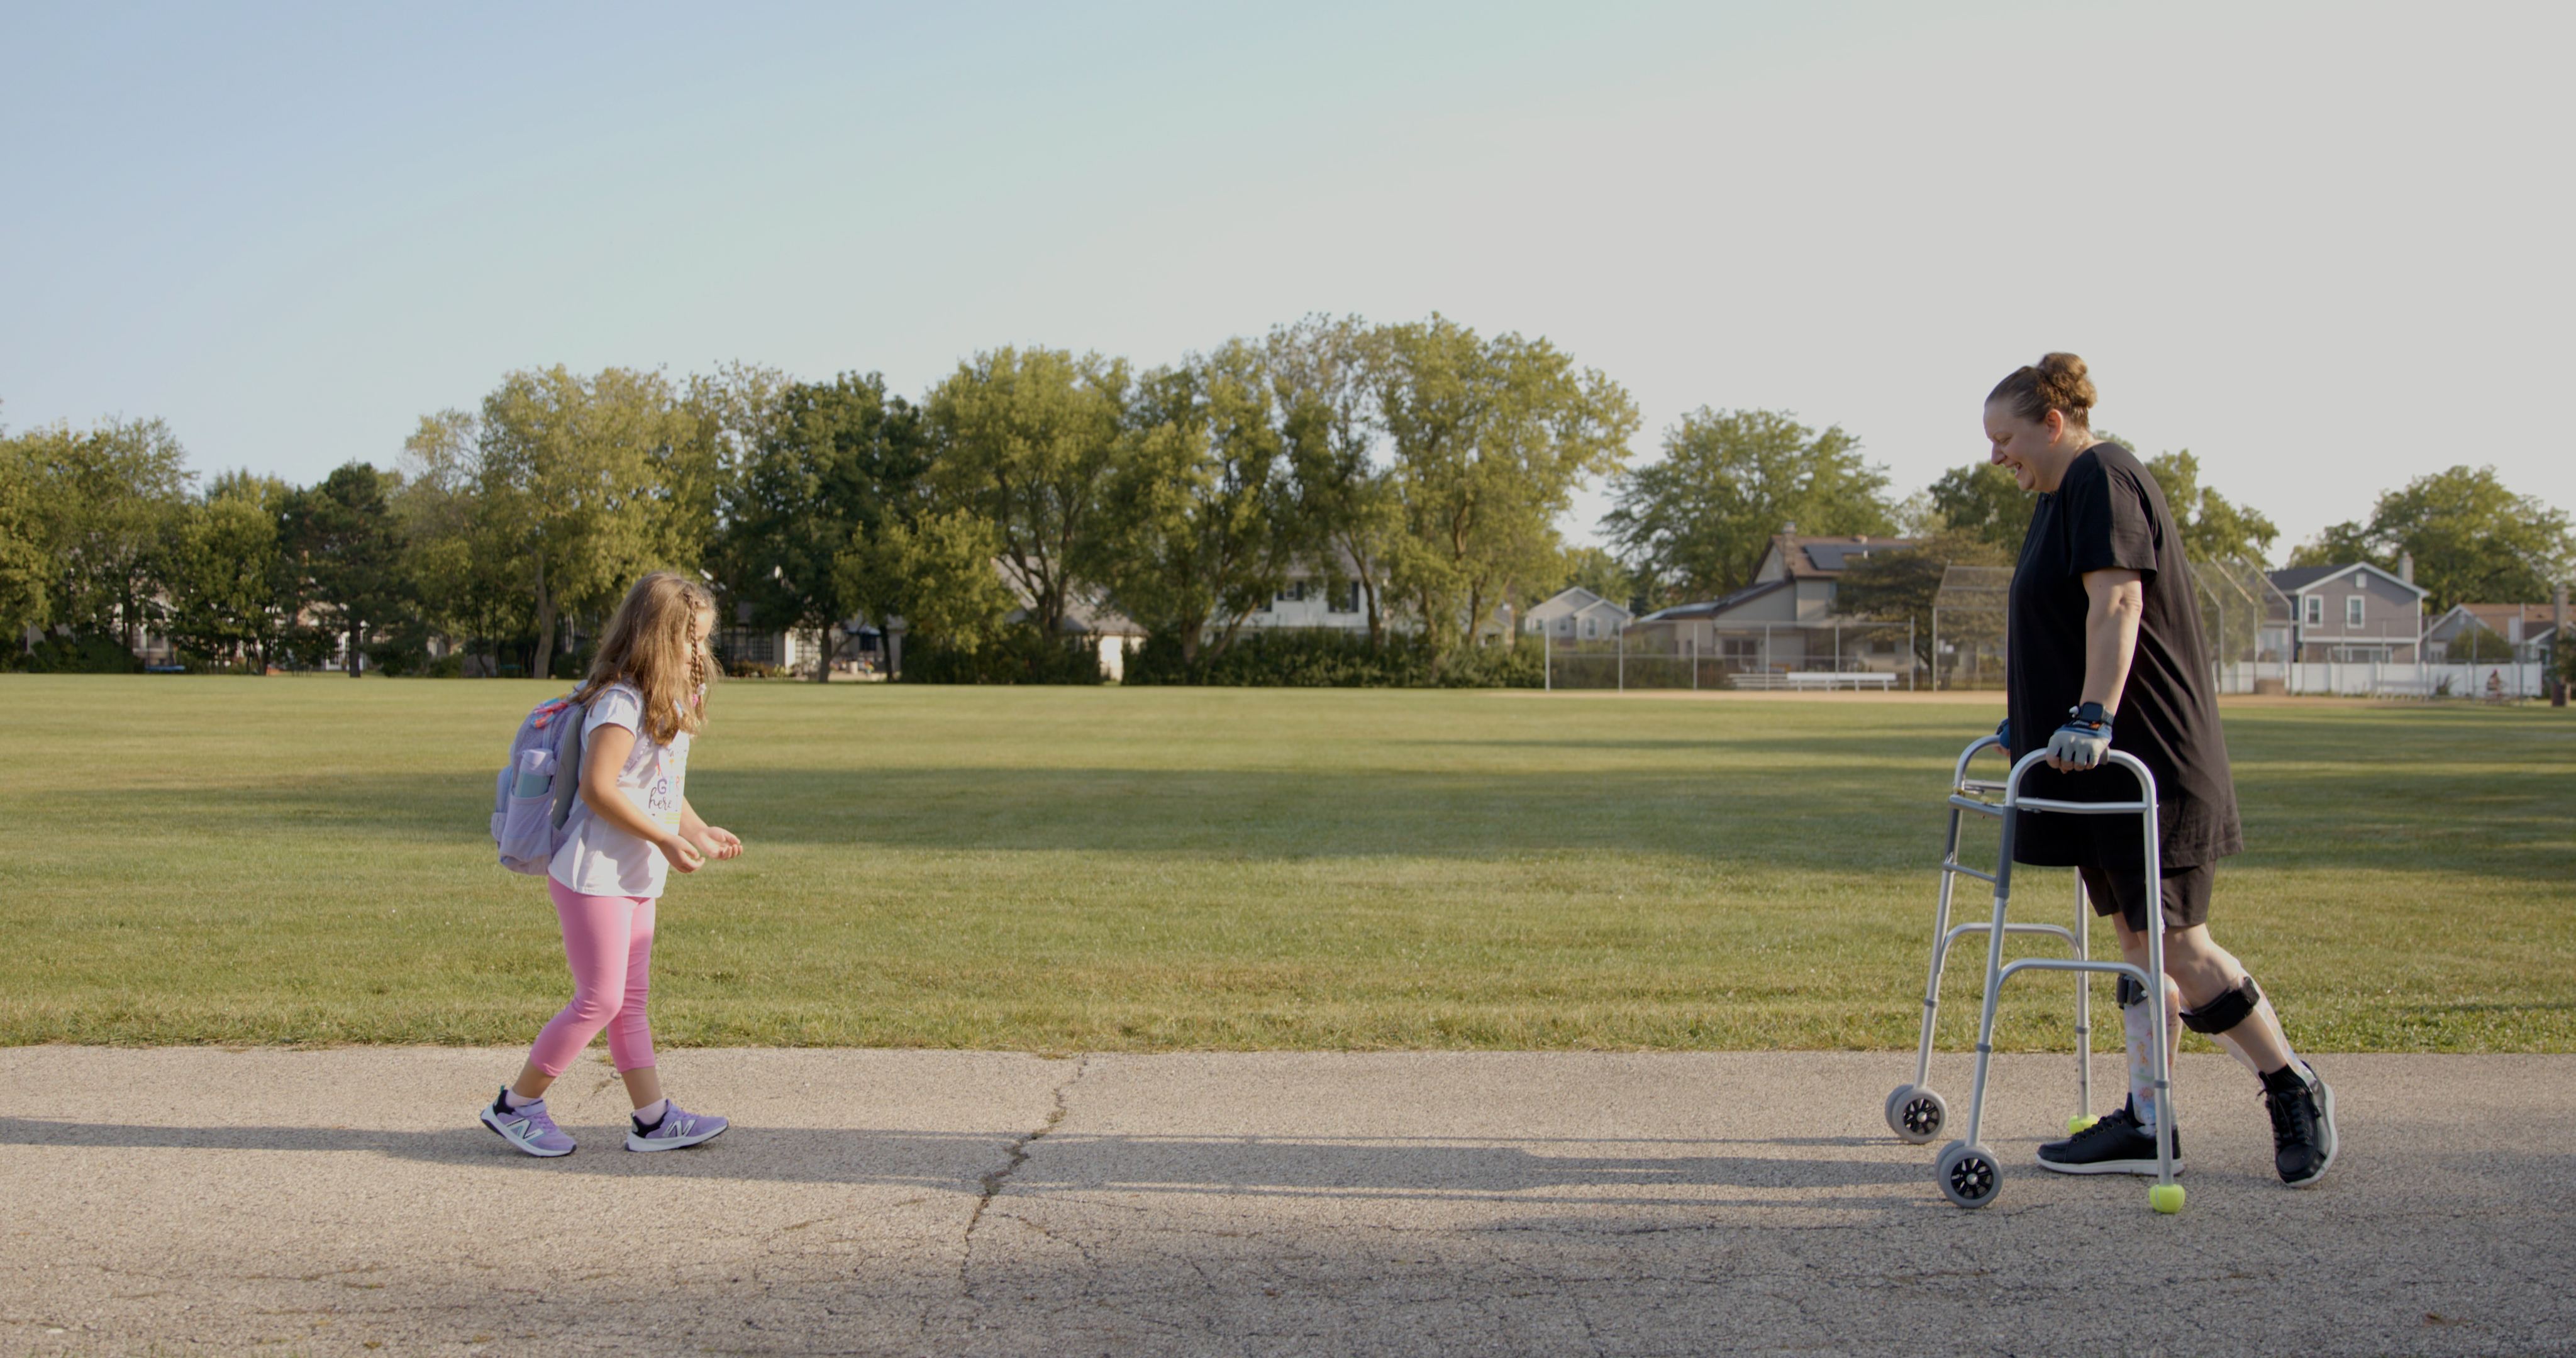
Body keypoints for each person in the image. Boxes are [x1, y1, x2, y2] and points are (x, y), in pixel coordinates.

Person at [1984, 353, 2336, 1187]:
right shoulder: (2055, 498)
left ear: (2053, 423)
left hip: (2150, 756)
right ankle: (2149, 1116)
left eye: (2006, 437)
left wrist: (2092, 715)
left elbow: (2118, 603)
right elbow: (2064, 622)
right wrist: (2031, 718)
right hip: (2093, 767)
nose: (1997, 456)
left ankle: (2291, 1083)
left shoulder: (2104, 478)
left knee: (2180, 946)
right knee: (2138, 944)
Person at [479, 571, 745, 1157]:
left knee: (629, 1001)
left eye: (702, 639)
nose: (699, 652)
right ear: (655, 635)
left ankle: (652, 1120)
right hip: (592, 871)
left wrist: (696, 830)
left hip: (632, 873)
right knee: (598, 999)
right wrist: (668, 841)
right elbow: (601, 790)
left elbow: (660, 786)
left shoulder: (665, 701)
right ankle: (516, 1106)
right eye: (690, 639)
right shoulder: (620, 702)